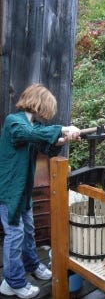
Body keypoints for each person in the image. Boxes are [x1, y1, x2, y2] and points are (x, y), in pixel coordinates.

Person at [0, 83, 81, 299]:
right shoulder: (14, 122)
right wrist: (63, 128)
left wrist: (64, 139)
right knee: (14, 236)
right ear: (40, 104)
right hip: (9, 192)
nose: (50, 114)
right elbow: (27, 133)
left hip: (23, 191)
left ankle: (32, 265)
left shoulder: (32, 127)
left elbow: (44, 146)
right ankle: (12, 282)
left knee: (28, 231)